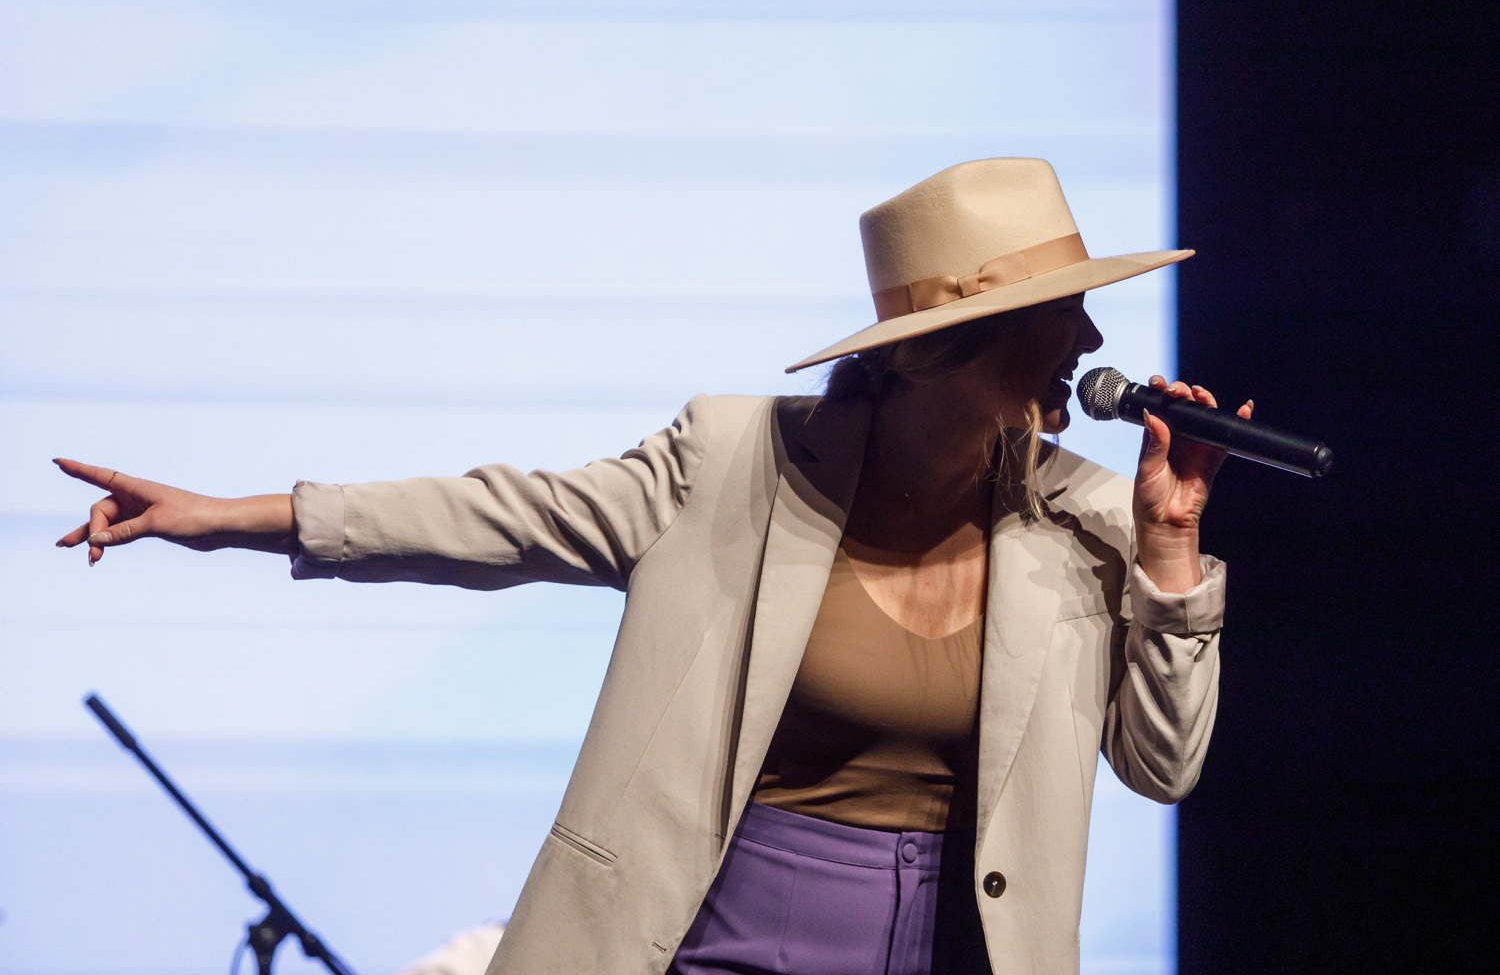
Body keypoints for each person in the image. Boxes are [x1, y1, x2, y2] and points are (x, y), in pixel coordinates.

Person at [54, 158, 1249, 975]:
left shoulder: (1091, 521)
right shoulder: (735, 463)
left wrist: (1169, 545)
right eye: (1060, 312)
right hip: (727, 940)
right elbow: (495, 518)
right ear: (950, 345)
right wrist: (231, 517)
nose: (1093, 338)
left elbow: (1163, 765)